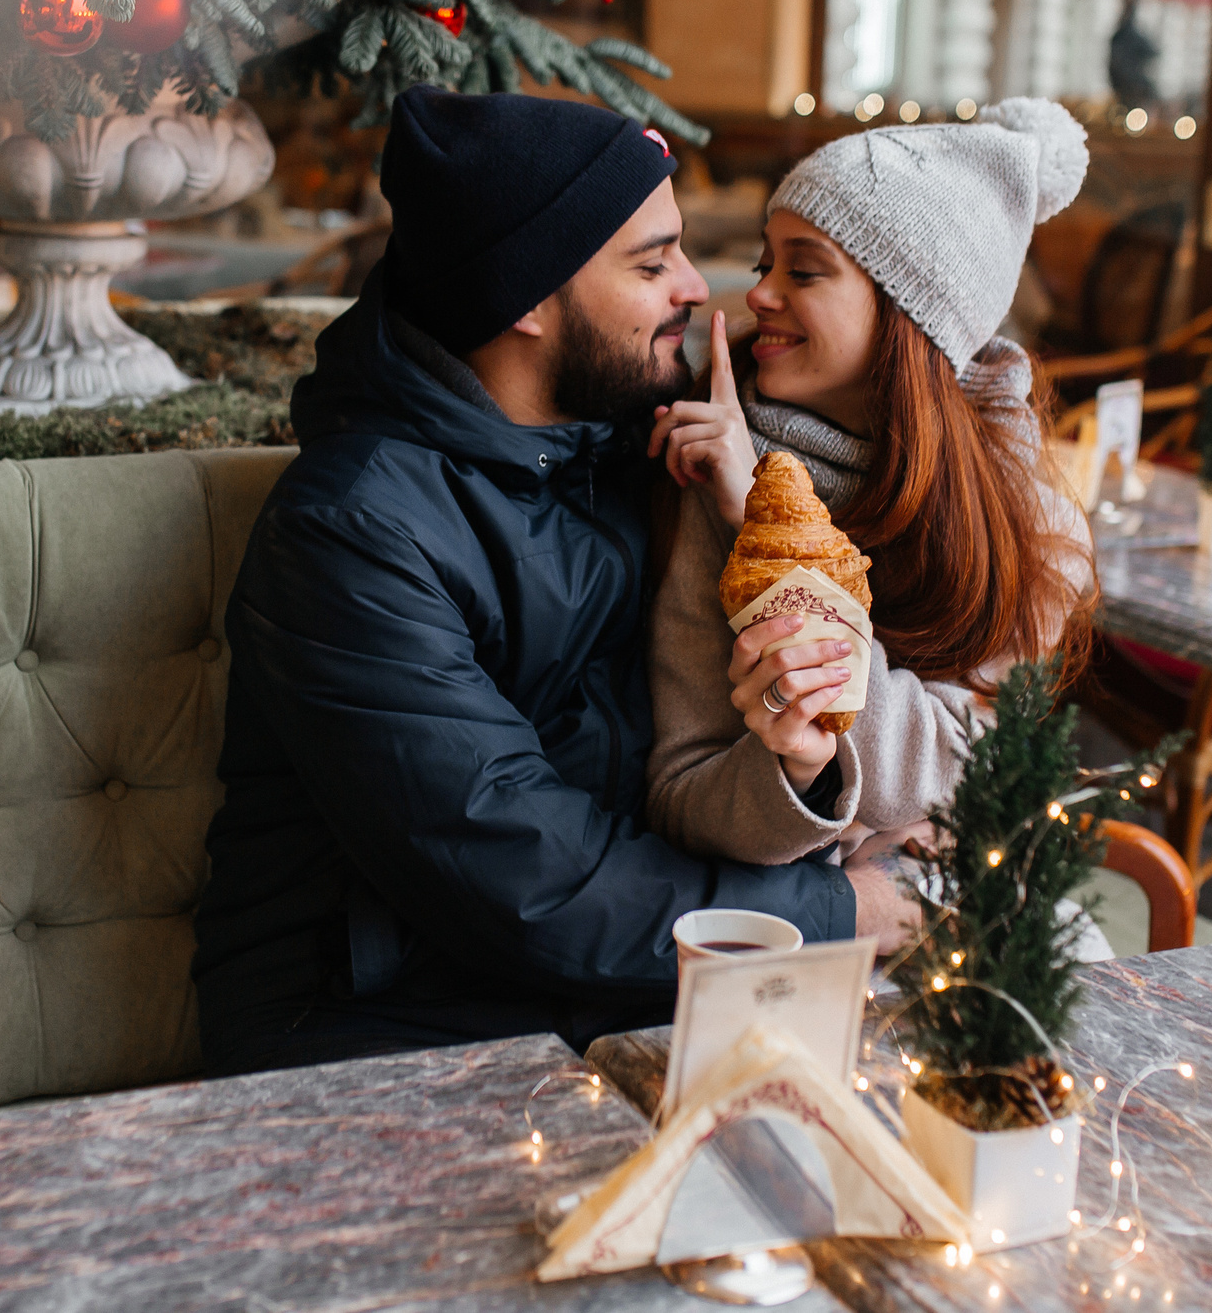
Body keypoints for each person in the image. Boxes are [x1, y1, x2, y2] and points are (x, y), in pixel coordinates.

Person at [192, 88, 925, 1077]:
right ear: (524, 299)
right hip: (373, 1041)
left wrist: (746, 504)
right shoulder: (352, 533)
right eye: (651, 263)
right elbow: (530, 883)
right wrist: (840, 911)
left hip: (598, 998)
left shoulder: (629, 450)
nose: (695, 288)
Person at [646, 99, 1097, 870]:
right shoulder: (711, 467)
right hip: (771, 920)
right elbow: (681, 792)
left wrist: (763, 522)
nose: (759, 294)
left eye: (803, 270)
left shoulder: (1027, 514)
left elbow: (958, 765)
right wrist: (801, 777)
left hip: (958, 904)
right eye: (764, 265)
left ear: (912, 314)